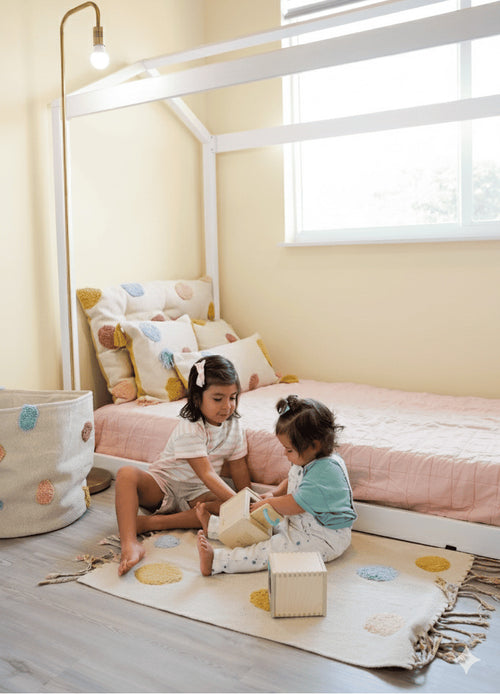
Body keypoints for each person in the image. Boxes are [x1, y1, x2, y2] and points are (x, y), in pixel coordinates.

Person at [115, 354, 252, 576]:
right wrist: (244, 505)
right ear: (198, 399)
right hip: (163, 487)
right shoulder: (190, 427)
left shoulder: (234, 426)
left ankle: (150, 524)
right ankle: (129, 542)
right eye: (218, 399)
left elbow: (239, 468)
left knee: (223, 506)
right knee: (126, 474)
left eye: (233, 397)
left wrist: (250, 500)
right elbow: (207, 473)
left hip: (196, 495)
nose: (227, 406)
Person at [196, 394, 357, 576]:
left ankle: (217, 562)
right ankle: (217, 528)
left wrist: (270, 504)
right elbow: (292, 482)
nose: (284, 454)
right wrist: (274, 494)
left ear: (314, 445)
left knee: (271, 549)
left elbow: (295, 504)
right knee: (264, 523)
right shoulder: (309, 459)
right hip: (302, 522)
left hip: (323, 537)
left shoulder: (325, 471)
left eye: (289, 450)